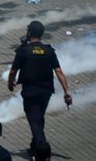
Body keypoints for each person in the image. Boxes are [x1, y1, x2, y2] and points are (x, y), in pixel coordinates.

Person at [7, 20, 72, 150]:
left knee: (34, 120)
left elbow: (13, 70)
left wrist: (10, 82)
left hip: (30, 91)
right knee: (39, 117)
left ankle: (42, 148)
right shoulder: (49, 50)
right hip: (46, 92)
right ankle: (34, 145)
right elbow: (58, 71)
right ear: (42, 34)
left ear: (29, 32)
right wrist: (66, 91)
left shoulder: (23, 51)